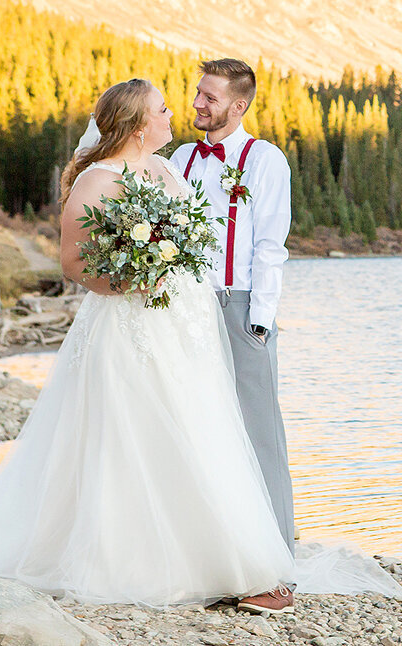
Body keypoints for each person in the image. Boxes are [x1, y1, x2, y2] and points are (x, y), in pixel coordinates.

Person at [0, 78, 402, 611]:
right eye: (162, 110)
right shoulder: (97, 179)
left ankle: (221, 555)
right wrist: (132, 279)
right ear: (140, 126)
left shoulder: (166, 167)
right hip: (128, 323)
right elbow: (73, 263)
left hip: (187, 323)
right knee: (132, 432)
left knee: (200, 428)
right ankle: (138, 559)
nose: (173, 115)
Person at [170, 59, 294, 612]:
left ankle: (276, 573)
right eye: (198, 93)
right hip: (187, 310)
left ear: (237, 106)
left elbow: (271, 246)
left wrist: (260, 322)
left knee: (259, 435)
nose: (198, 103)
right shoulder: (180, 159)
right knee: (201, 432)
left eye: (209, 97)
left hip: (241, 308)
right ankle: (219, 562)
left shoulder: (265, 160)